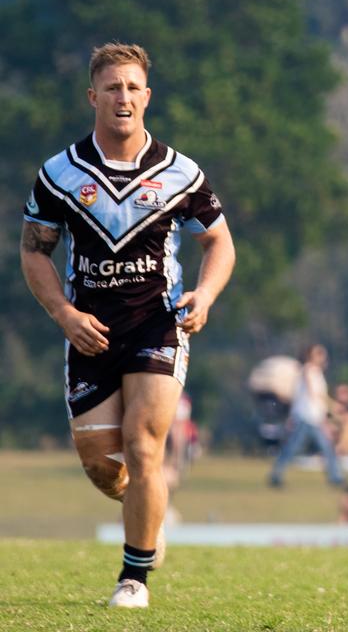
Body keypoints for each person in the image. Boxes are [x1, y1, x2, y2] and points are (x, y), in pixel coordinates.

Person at [19, 43, 235, 609]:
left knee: (144, 447)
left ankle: (133, 578)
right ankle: (148, 514)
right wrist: (65, 314)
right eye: (112, 87)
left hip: (156, 327)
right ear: (93, 96)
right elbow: (34, 253)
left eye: (133, 87)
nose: (124, 97)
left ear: (148, 96)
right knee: (101, 465)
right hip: (89, 332)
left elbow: (219, 242)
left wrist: (206, 294)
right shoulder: (60, 174)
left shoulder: (180, 173)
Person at [269, 344, 345, 488]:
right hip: (306, 417)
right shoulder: (309, 370)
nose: (322, 356)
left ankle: (335, 477)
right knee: (295, 448)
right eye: (319, 353)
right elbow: (315, 393)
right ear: (311, 355)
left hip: (313, 417)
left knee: (325, 448)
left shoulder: (315, 372)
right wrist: (332, 405)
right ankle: (276, 475)